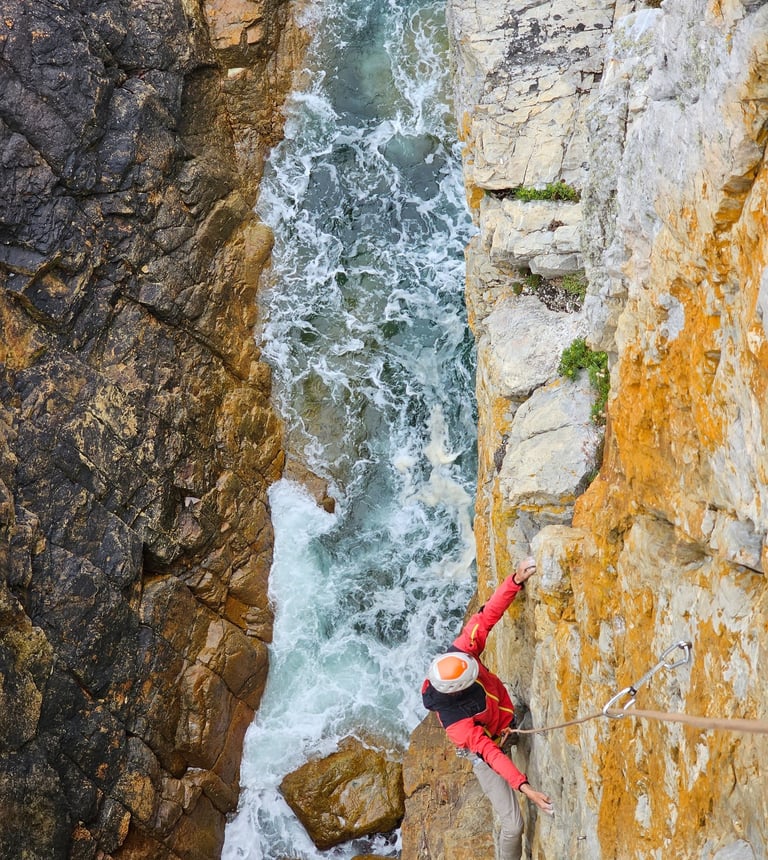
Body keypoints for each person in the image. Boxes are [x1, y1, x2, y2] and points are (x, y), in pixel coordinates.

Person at [421, 556, 553, 860]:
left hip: (503, 722)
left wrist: (515, 580)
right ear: (459, 689)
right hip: (487, 749)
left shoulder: (459, 656)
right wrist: (525, 787)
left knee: (508, 737)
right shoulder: (458, 725)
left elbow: (485, 618)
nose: (475, 665)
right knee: (514, 825)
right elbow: (490, 754)